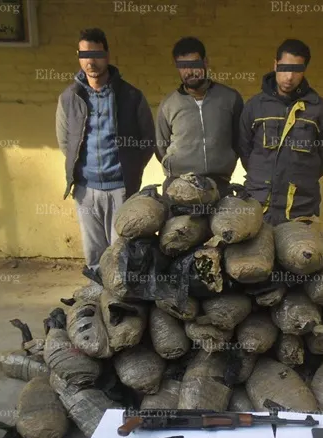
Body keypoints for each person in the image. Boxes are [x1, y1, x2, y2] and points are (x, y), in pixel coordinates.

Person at [56, 28, 155, 272]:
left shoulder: (131, 96)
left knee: (122, 255)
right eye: (84, 55)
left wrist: (130, 170)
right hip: (85, 190)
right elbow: (65, 142)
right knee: (94, 257)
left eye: (97, 55)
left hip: (121, 189)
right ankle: (97, 294)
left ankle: (120, 297)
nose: (91, 61)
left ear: (107, 56)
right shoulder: (69, 98)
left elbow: (147, 140)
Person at [239, 39, 323, 225]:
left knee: (302, 246)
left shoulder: (319, 109)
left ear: (304, 70)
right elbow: (244, 151)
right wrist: (262, 175)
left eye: (297, 70)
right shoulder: (254, 107)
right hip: (259, 206)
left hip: (301, 209)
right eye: (284, 68)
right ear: (275, 65)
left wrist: (301, 178)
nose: (289, 77)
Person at [155, 37, 244, 195]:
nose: (189, 72)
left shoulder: (230, 99)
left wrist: (225, 161)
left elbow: (240, 142)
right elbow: (160, 147)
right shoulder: (168, 104)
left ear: (205, 62)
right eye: (183, 67)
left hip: (220, 185)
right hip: (177, 186)